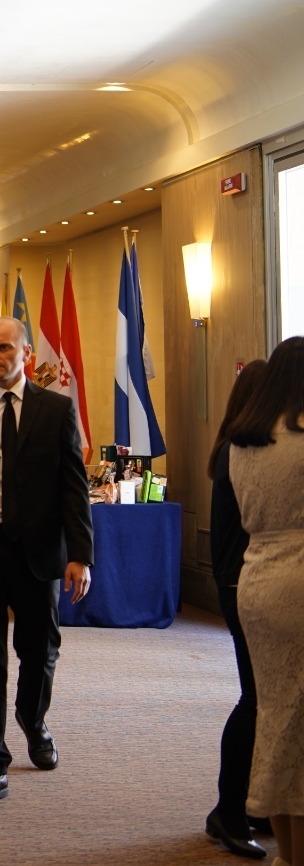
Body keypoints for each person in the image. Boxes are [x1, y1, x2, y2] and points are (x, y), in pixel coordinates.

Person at [0, 317, 92, 811]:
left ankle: (33, 717)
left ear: (25, 353)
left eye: (4, 348)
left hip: (38, 551)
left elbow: (73, 488)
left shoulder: (56, 409)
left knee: (40, 650)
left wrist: (80, 555)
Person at [228, 336, 304, 865]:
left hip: (257, 578)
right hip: (299, 577)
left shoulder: (246, 440)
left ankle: (288, 856)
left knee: (277, 718)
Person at [205, 359, 271, 859]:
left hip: (238, 580)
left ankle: (253, 804)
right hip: (241, 582)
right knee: (255, 698)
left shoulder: (231, 445)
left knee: (263, 698)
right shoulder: (241, 452)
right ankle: (229, 811)